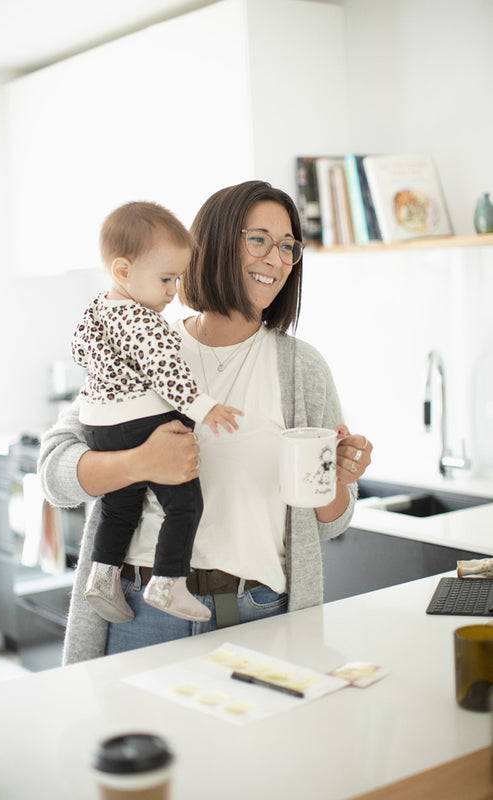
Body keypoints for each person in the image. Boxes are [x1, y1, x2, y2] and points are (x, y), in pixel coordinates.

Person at [38, 180, 373, 666]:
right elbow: (54, 474)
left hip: (256, 614)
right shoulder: (147, 343)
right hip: (141, 616)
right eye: (258, 239)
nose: (276, 259)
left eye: (287, 247)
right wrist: (140, 462)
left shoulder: (301, 369)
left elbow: (333, 520)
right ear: (214, 243)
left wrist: (337, 476)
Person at [71, 201, 242, 625]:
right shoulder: (144, 322)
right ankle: (168, 581)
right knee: (184, 504)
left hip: (99, 424)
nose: (172, 291)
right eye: (166, 279)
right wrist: (205, 407)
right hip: (142, 421)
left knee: (120, 506)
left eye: (177, 279)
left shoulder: (97, 308)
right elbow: (168, 371)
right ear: (123, 270)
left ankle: (102, 575)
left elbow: (78, 349)